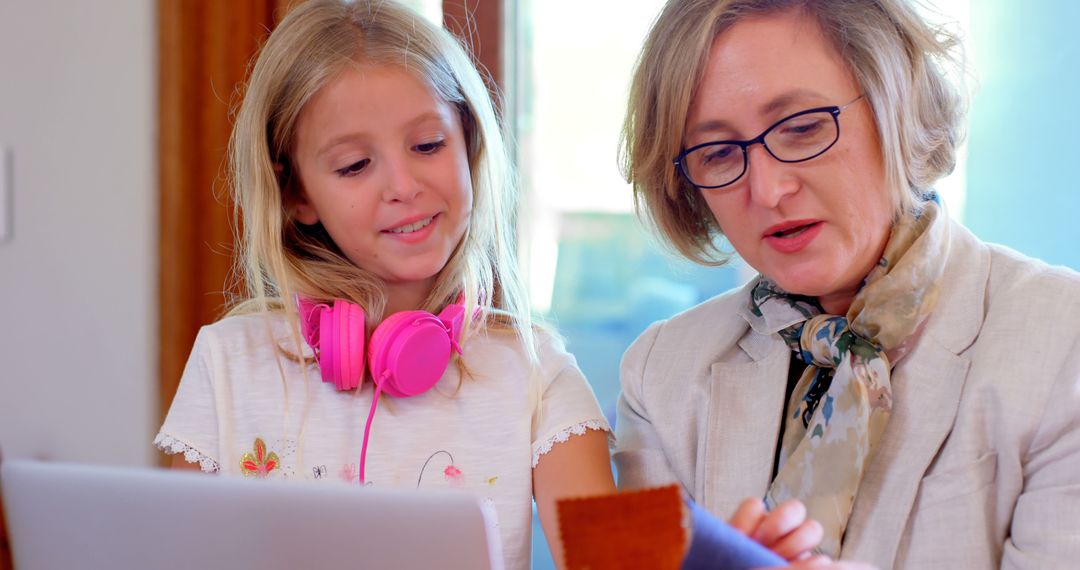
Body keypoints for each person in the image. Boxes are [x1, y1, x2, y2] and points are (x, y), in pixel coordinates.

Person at [615, 0, 1080, 568]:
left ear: (898, 104)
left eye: (802, 128)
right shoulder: (663, 374)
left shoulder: (1062, 339)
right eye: (716, 154)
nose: (766, 190)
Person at [152, 2, 617, 568]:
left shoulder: (538, 375)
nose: (404, 185)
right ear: (297, 194)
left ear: (468, 146)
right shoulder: (228, 365)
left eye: (427, 146)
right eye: (354, 165)